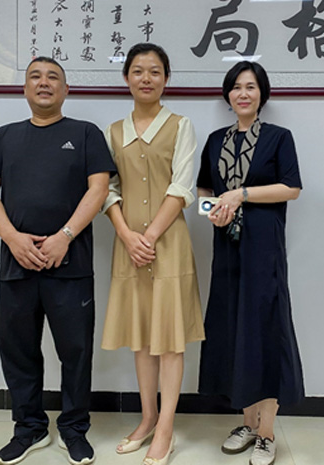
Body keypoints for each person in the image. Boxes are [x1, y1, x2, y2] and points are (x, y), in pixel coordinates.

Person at [0, 56, 116, 465]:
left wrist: (64, 237)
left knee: (76, 351)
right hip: (16, 263)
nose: (44, 82)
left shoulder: (86, 133)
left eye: (53, 77)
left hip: (70, 264)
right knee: (18, 349)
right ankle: (29, 428)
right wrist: (12, 238)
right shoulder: (3, 137)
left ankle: (74, 429)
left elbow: (99, 189)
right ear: (24, 89)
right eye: (35, 77)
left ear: (65, 89)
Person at [101, 43, 205, 465]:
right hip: (129, 247)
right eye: (139, 71)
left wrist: (150, 235)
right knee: (141, 337)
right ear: (126, 77)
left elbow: (182, 186)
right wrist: (128, 236)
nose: (146, 78)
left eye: (155, 71)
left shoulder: (181, 126)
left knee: (170, 341)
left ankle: (165, 428)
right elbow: (107, 189)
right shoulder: (113, 132)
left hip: (168, 245)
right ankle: (146, 419)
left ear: (166, 78)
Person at [197, 61, 305, 465]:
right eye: (237, 87)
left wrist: (240, 194)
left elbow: (291, 188)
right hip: (227, 248)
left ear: (262, 94)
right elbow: (204, 188)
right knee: (233, 330)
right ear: (228, 95)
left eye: (251, 87)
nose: (243, 93)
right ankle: (246, 422)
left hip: (263, 249)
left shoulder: (278, 138)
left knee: (265, 331)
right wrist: (212, 211)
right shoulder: (215, 140)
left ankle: (266, 432)